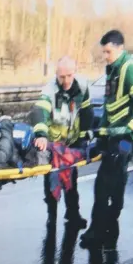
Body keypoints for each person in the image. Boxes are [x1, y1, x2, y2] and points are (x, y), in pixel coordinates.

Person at [81, 30, 133, 249]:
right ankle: (108, 223)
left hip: (125, 138)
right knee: (112, 181)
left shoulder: (130, 69)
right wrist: (100, 136)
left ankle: (99, 229)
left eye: (108, 51)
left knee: (106, 183)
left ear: (120, 48)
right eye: (104, 52)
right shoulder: (112, 71)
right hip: (113, 137)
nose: (105, 56)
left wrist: (128, 135)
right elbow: (111, 109)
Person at [30, 56, 94, 228]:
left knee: (71, 181)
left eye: (69, 76)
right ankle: (52, 218)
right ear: (56, 75)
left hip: (71, 142)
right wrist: (41, 134)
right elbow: (39, 111)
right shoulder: (49, 91)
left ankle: (73, 214)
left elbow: (87, 112)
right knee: (52, 180)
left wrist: (85, 136)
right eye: (61, 77)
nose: (65, 81)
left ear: (75, 72)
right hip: (53, 144)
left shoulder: (82, 87)